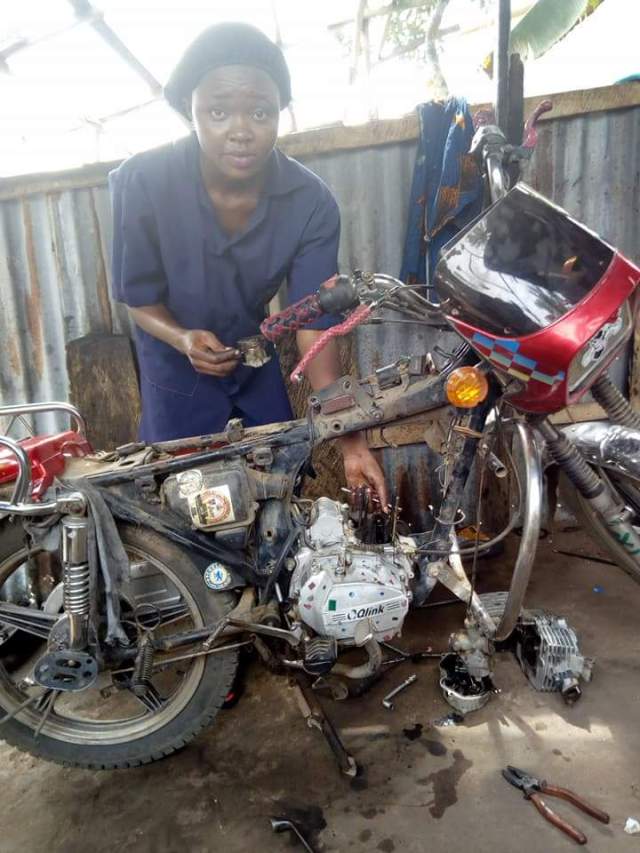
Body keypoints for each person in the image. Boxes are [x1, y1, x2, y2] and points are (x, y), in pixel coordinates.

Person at [110, 22, 387, 504]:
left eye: (260, 112)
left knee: (276, 491)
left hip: (253, 363)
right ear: (190, 111)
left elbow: (314, 325)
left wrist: (352, 439)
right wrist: (183, 338)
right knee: (185, 505)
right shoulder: (144, 183)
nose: (240, 131)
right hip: (175, 373)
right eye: (218, 112)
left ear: (280, 111)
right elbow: (139, 299)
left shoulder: (311, 202)